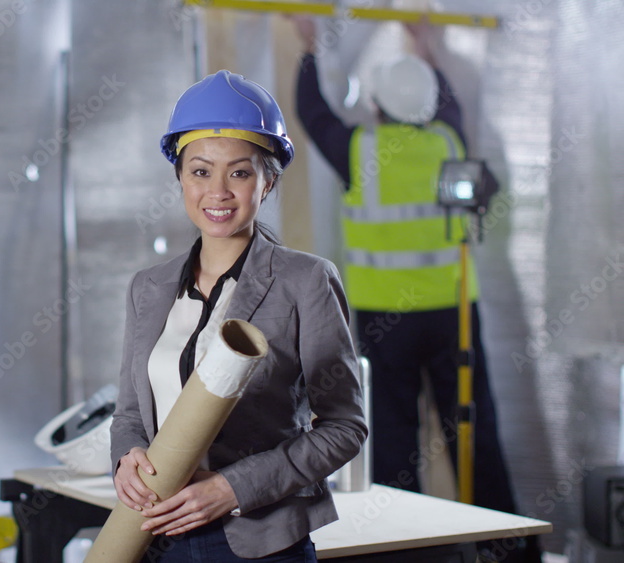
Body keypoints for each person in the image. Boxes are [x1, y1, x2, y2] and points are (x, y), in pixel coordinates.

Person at [291, 17, 541, 562]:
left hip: (386, 322)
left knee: (394, 438)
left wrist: (310, 48)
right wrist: (428, 48)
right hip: (454, 314)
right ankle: (511, 555)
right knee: (475, 434)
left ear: (376, 104)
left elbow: (313, 115)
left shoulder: (359, 151)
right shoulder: (447, 138)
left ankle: (405, 555)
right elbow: (445, 103)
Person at [110, 69, 368, 562]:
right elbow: (128, 416)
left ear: (268, 181)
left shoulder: (304, 281)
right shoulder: (149, 288)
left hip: (257, 540)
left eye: (241, 172)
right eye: (201, 171)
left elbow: (344, 427)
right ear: (180, 178)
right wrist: (126, 458)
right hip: (154, 537)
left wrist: (232, 488)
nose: (219, 191)